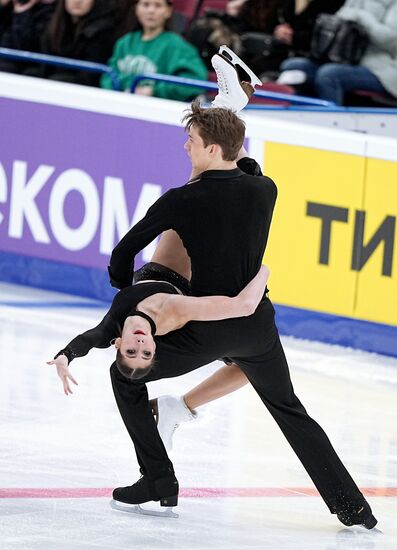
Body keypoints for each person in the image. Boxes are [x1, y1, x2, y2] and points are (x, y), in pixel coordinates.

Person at [105, 50, 377, 528]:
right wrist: (226, 122)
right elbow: (236, 165)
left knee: (124, 376)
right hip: (256, 328)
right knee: (293, 413)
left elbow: (123, 254)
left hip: (207, 327)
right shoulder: (266, 188)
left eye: (191, 140)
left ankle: (157, 477)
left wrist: (126, 306)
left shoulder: (181, 200)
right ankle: (353, 507)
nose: (185, 146)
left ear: (211, 146)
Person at [48, 263, 269, 393]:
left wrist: (65, 356)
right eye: (146, 353)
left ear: (118, 344)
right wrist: (263, 270)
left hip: (164, 269)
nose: (140, 345)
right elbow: (243, 306)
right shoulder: (175, 317)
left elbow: (88, 340)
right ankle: (183, 407)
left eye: (131, 351)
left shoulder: (110, 328)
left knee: (194, 197)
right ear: (155, 346)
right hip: (193, 284)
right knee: (251, 367)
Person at [278, 0, 397, 105]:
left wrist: (362, 18)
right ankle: (298, 121)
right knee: (293, 66)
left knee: (329, 75)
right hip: (345, 59)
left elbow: (391, 40)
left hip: (381, 69)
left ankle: (330, 125)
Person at [100, 0, 208, 100]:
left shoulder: (178, 47)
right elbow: (108, 76)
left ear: (168, 11)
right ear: (136, 9)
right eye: (146, 4)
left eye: (158, 5)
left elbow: (195, 82)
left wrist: (154, 91)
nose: (151, 11)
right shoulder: (124, 43)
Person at [35, 0, 116, 87]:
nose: (77, 1)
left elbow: (90, 78)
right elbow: (45, 67)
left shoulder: (103, 32)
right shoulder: (55, 26)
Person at [0, 0, 56, 74]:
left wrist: (22, 14)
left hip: (27, 66)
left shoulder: (50, 12)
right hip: (7, 58)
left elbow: (26, 46)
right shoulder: (11, 6)